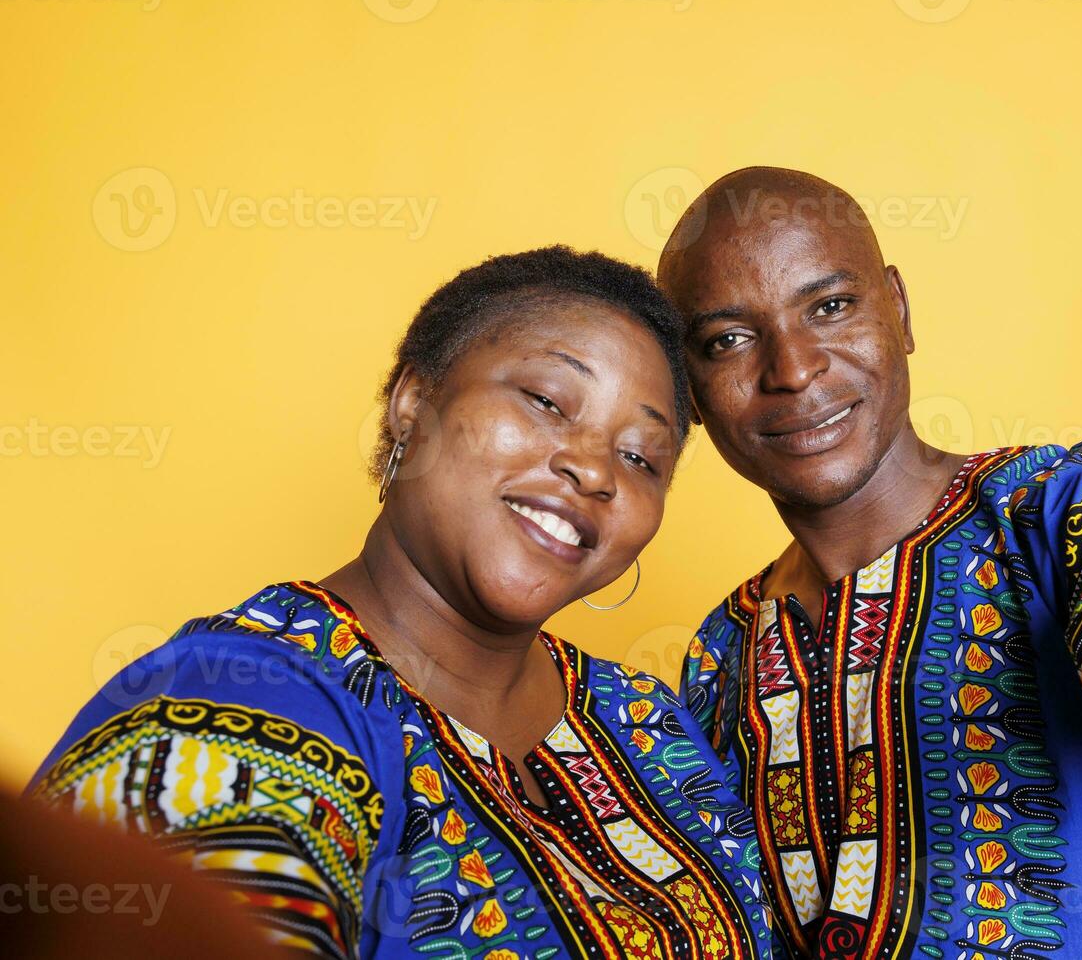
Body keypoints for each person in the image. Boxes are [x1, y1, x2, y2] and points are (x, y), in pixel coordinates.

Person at [28, 247, 777, 959]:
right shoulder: (238, 695)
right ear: (414, 403)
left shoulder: (646, 722)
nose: (592, 470)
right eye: (548, 401)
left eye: (641, 458)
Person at [661, 169, 1082, 956]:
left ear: (899, 311)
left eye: (830, 307)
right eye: (728, 341)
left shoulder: (1066, 509)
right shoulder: (719, 655)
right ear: (692, 392)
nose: (792, 369)